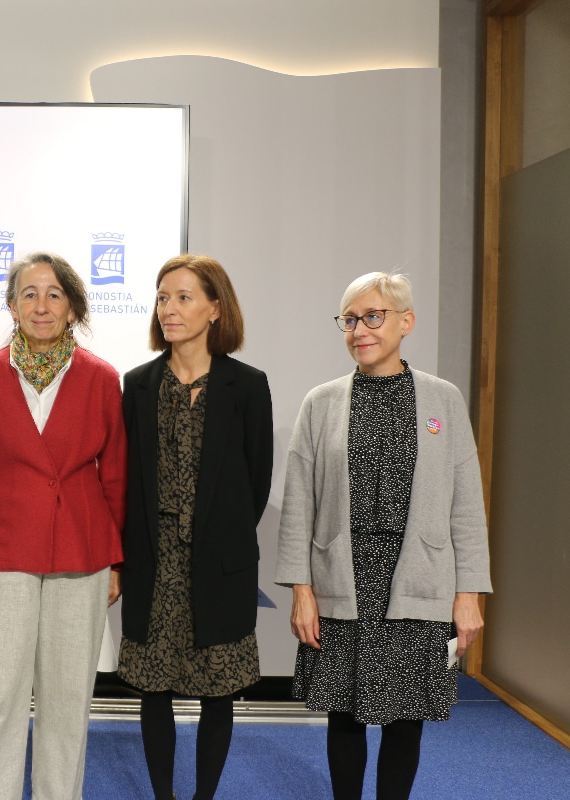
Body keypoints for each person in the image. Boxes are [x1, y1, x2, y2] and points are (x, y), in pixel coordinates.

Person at [275, 272, 491, 800]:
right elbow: (299, 506)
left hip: (419, 579)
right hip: (342, 580)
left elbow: (466, 506)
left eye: (373, 316)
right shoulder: (321, 402)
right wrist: (302, 590)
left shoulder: (443, 400)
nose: (359, 330)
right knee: (344, 716)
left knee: (405, 720)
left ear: (406, 322)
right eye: (350, 320)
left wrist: (468, 594)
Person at [0, 251, 127, 800]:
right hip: (3, 553)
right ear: (12, 305)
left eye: (54, 294)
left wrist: (116, 561)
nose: (41, 305)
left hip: (82, 554)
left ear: (72, 307)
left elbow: (115, 476)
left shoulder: (101, 378)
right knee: (0, 696)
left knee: (67, 701)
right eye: (29, 294)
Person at [118, 254, 273, 800]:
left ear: (215, 308)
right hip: (153, 560)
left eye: (184, 297)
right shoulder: (138, 385)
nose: (169, 309)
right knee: (153, 687)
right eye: (163, 298)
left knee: (218, 690)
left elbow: (256, 482)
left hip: (219, 560)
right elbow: (126, 480)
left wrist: (221, 537)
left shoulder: (246, 386)